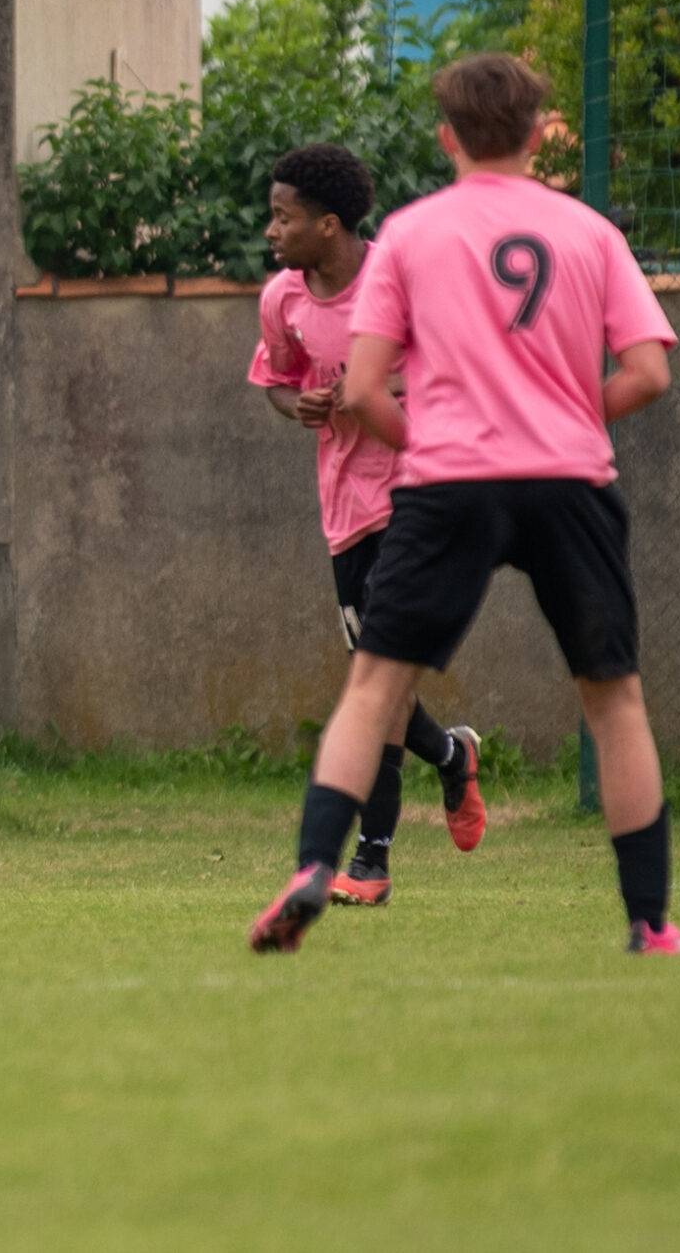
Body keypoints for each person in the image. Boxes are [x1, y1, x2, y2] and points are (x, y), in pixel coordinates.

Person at [247, 53, 680, 958]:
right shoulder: (588, 231)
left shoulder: (412, 236)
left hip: (447, 481)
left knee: (374, 687)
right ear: (539, 136)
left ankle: (313, 866)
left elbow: (365, 389)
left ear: (447, 139)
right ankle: (651, 923)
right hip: (568, 479)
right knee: (614, 701)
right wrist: (565, 417)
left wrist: (431, 443)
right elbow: (650, 373)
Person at [248, 143, 485, 906]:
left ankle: (372, 860)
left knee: (375, 678)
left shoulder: (400, 280)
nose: (270, 231)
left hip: (416, 492)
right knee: (376, 680)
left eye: (283, 217)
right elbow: (276, 382)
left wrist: (389, 400)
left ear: (328, 224)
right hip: (345, 508)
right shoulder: (282, 300)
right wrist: (304, 405)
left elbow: (458, 370)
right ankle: (450, 757)